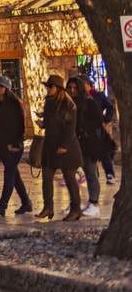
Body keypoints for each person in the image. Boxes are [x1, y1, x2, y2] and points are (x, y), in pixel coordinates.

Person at [0, 76, 33, 216]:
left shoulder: (14, 104)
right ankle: (26, 203)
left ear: (7, 88)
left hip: (13, 145)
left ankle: (3, 204)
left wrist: (16, 142)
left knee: (9, 174)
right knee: (14, 175)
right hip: (3, 145)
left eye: (1, 86)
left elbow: (19, 125)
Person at [37, 74, 83, 221]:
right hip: (50, 146)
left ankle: (76, 209)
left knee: (69, 178)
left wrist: (64, 145)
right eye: (47, 86)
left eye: (50, 86)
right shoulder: (49, 103)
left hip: (66, 148)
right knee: (46, 176)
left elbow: (70, 127)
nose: (48, 89)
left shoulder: (67, 104)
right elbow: (52, 121)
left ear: (58, 88)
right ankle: (48, 207)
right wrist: (43, 124)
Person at [68, 77, 102, 215]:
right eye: (69, 88)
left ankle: (94, 203)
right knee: (69, 174)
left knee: (91, 173)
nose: (72, 90)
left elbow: (97, 122)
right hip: (73, 144)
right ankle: (75, 203)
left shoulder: (89, 103)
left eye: (75, 88)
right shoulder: (68, 104)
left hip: (87, 144)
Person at [81, 77, 117, 184]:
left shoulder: (98, 96)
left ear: (88, 84)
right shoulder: (81, 98)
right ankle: (93, 175)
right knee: (88, 153)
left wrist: (106, 120)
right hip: (86, 129)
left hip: (98, 128)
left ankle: (110, 174)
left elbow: (110, 107)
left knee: (103, 152)